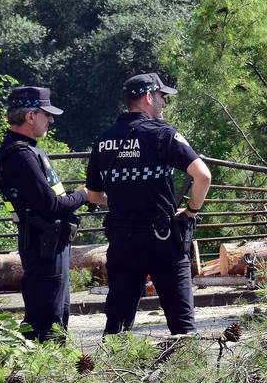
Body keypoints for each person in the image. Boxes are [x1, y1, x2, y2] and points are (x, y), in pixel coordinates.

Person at [85, 73, 211, 335]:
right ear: (147, 97)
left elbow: (94, 195)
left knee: (118, 323)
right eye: (162, 97)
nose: (164, 103)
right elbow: (203, 175)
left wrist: (122, 197)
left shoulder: (103, 140)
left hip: (121, 239)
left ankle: (115, 372)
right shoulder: (162, 134)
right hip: (162, 237)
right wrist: (191, 211)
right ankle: (185, 371)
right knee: (182, 324)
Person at [0, 86, 87, 342]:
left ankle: (46, 370)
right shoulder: (20, 156)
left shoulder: (25, 151)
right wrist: (85, 195)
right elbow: (51, 206)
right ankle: (43, 374)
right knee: (47, 319)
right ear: (30, 116)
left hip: (49, 242)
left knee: (56, 310)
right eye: (47, 114)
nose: (51, 120)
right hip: (43, 244)